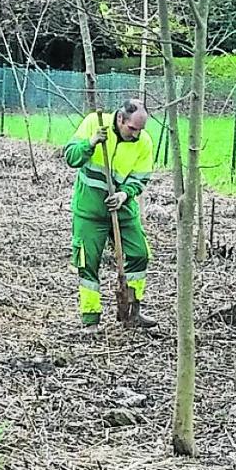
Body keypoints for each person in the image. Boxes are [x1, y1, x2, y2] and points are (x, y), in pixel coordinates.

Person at [63, 98, 157, 331]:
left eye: (140, 130)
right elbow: (71, 157)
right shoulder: (93, 123)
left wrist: (124, 195)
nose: (135, 135)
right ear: (120, 118)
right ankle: (91, 320)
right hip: (90, 210)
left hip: (123, 211)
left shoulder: (144, 141)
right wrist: (92, 142)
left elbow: (140, 178)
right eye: (132, 129)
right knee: (88, 263)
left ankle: (131, 311)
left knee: (140, 254)